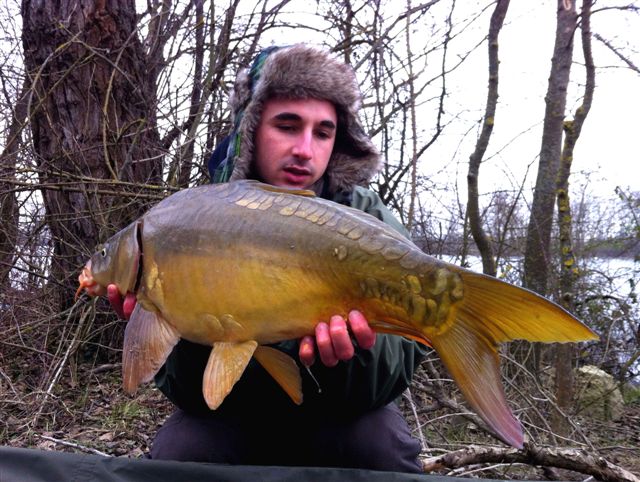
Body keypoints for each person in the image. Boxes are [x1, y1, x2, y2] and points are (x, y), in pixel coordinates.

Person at [109, 44, 426, 473]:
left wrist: (346, 356)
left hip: (339, 411)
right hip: (233, 412)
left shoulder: (366, 216)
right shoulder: (191, 218)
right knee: (183, 447)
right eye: (287, 125)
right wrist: (174, 317)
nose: (304, 149)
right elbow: (187, 394)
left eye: (323, 132)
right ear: (251, 128)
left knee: (380, 444)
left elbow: (395, 371)